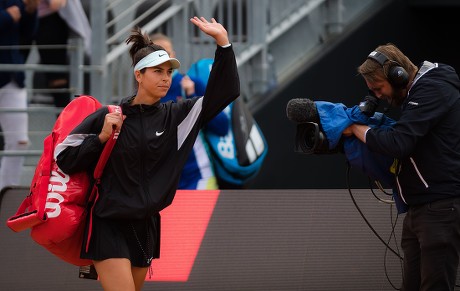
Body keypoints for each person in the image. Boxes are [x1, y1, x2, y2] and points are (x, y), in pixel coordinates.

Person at [56, 16, 239, 291]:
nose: (166, 78)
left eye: (168, 72)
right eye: (158, 71)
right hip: (109, 222)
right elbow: (64, 158)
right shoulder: (108, 115)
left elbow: (227, 91)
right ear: (138, 75)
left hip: (147, 226)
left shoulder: (178, 116)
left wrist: (223, 44)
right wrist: (101, 138)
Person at [343, 43, 460, 291]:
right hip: (421, 208)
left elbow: (399, 142)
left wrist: (356, 129)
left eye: (378, 88)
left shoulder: (432, 89)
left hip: (440, 207)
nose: (377, 96)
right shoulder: (420, 93)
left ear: (399, 76)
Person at [150, 32, 228, 190]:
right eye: (157, 55)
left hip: (198, 177)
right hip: (163, 184)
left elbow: (222, 126)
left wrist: (193, 97)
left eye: (167, 53)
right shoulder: (145, 95)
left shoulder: (192, 85)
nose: (163, 60)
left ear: (174, 56)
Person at [0, 0, 39, 190]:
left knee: (19, 142)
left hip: (12, 76)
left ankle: (4, 198)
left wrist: (31, 12)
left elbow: (27, 35)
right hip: (9, 73)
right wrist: (7, 16)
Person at [33, 0, 91, 108]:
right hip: (35, 19)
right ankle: (67, 119)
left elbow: (57, 3)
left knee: (57, 80)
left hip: (49, 21)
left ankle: (67, 121)